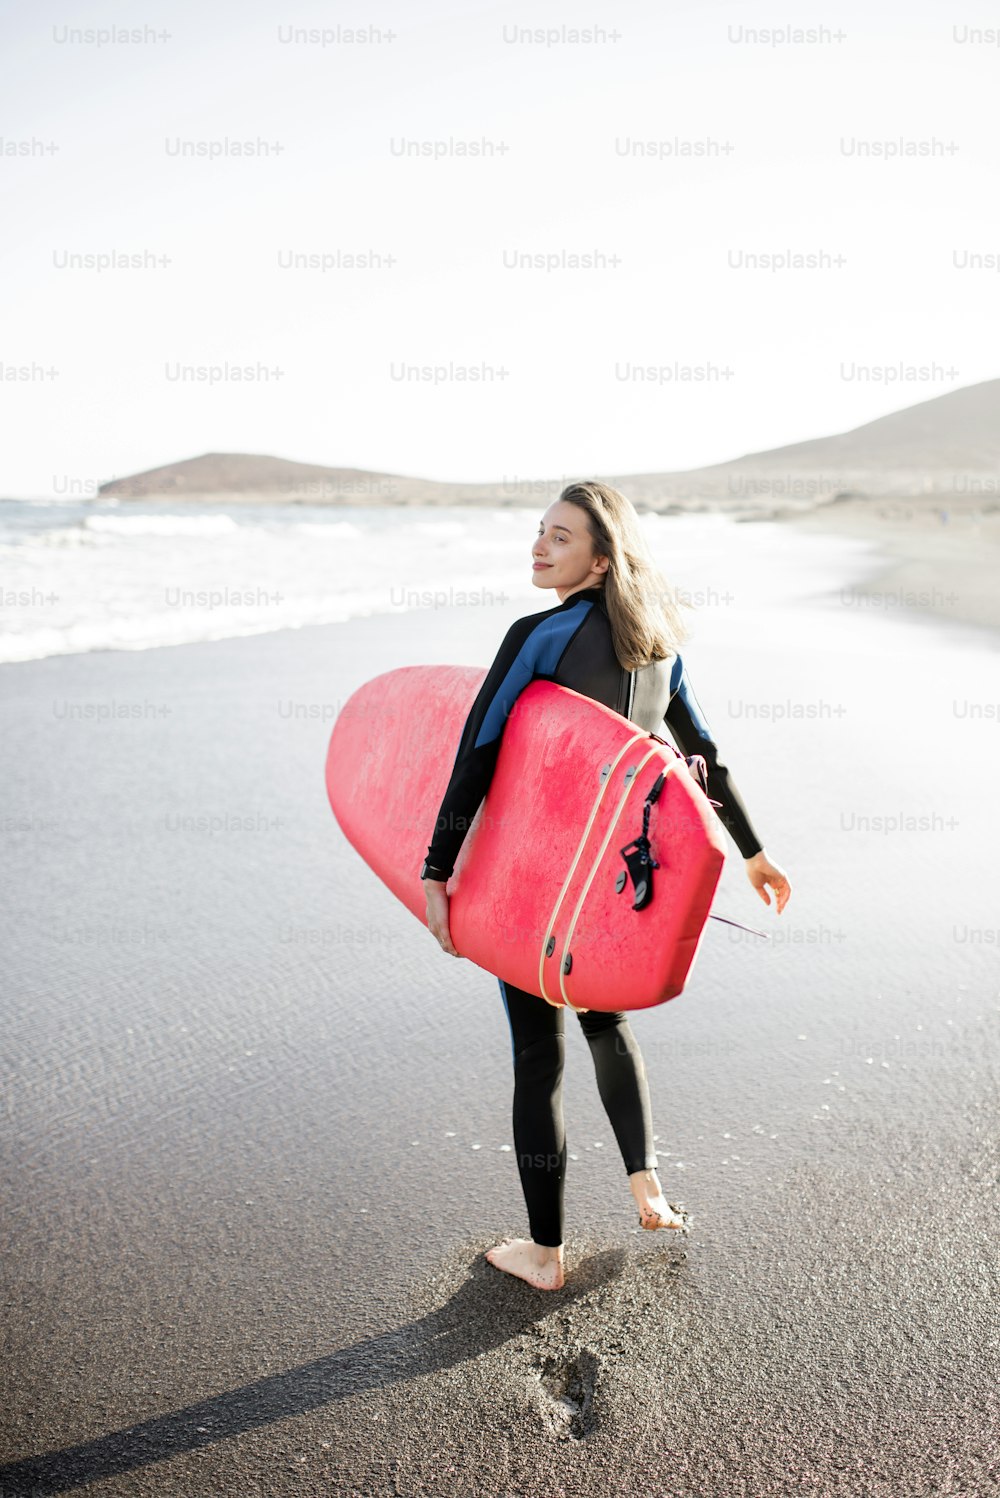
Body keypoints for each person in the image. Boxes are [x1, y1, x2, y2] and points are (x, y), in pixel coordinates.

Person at [420, 481, 791, 1290]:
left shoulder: (537, 634)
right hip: (619, 879)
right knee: (604, 1023)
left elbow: (475, 754)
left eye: (559, 537)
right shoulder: (660, 644)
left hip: (540, 879)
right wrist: (754, 853)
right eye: (539, 532)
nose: (539, 546)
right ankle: (644, 1179)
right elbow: (705, 758)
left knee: (536, 1057)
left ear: (600, 555)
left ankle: (545, 1255)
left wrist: (436, 871)